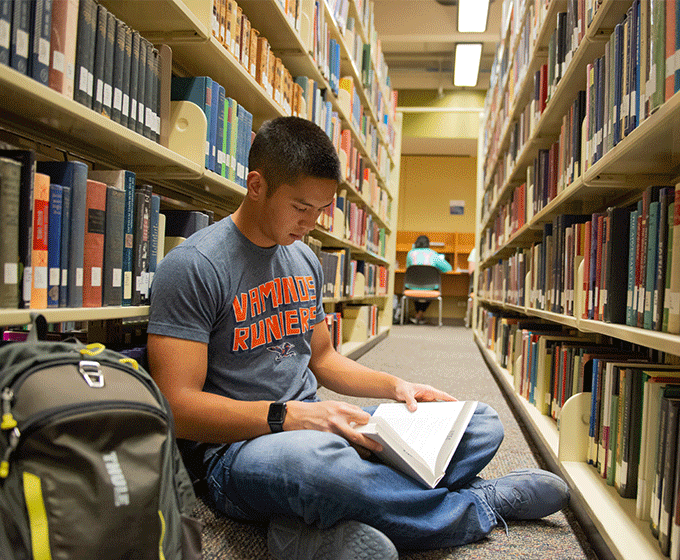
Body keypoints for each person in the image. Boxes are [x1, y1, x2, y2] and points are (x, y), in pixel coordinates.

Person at [146, 116, 569, 560]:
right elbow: (179, 406)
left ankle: (307, 525)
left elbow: (325, 360)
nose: (311, 223)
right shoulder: (194, 266)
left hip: (318, 424)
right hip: (237, 453)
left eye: (322, 209)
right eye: (300, 207)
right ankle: (478, 504)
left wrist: (397, 389)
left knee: (480, 423)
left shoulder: (304, 260)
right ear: (256, 185)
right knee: (320, 468)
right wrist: (287, 418)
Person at [404, 235, 452, 324]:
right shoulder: (433, 254)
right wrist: (436, 269)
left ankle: (418, 315)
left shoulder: (410, 253)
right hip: (429, 286)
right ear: (428, 244)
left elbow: (408, 268)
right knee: (428, 288)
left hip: (412, 285)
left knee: (418, 289)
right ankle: (420, 315)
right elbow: (448, 268)